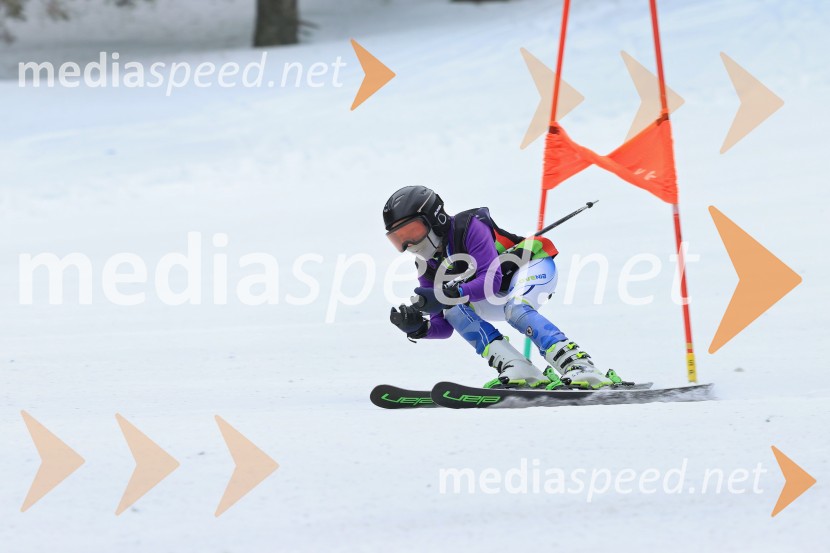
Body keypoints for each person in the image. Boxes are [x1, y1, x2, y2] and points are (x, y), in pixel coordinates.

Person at [383, 185, 620, 390]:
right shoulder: (426, 265)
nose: (408, 244)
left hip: (531, 267)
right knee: (453, 310)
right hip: (495, 295)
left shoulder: (468, 227)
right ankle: (519, 368)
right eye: (398, 239)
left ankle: (580, 366)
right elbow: (444, 326)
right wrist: (420, 328)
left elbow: (491, 281)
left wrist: (452, 293)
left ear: (436, 219)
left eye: (412, 232)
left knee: (516, 309)